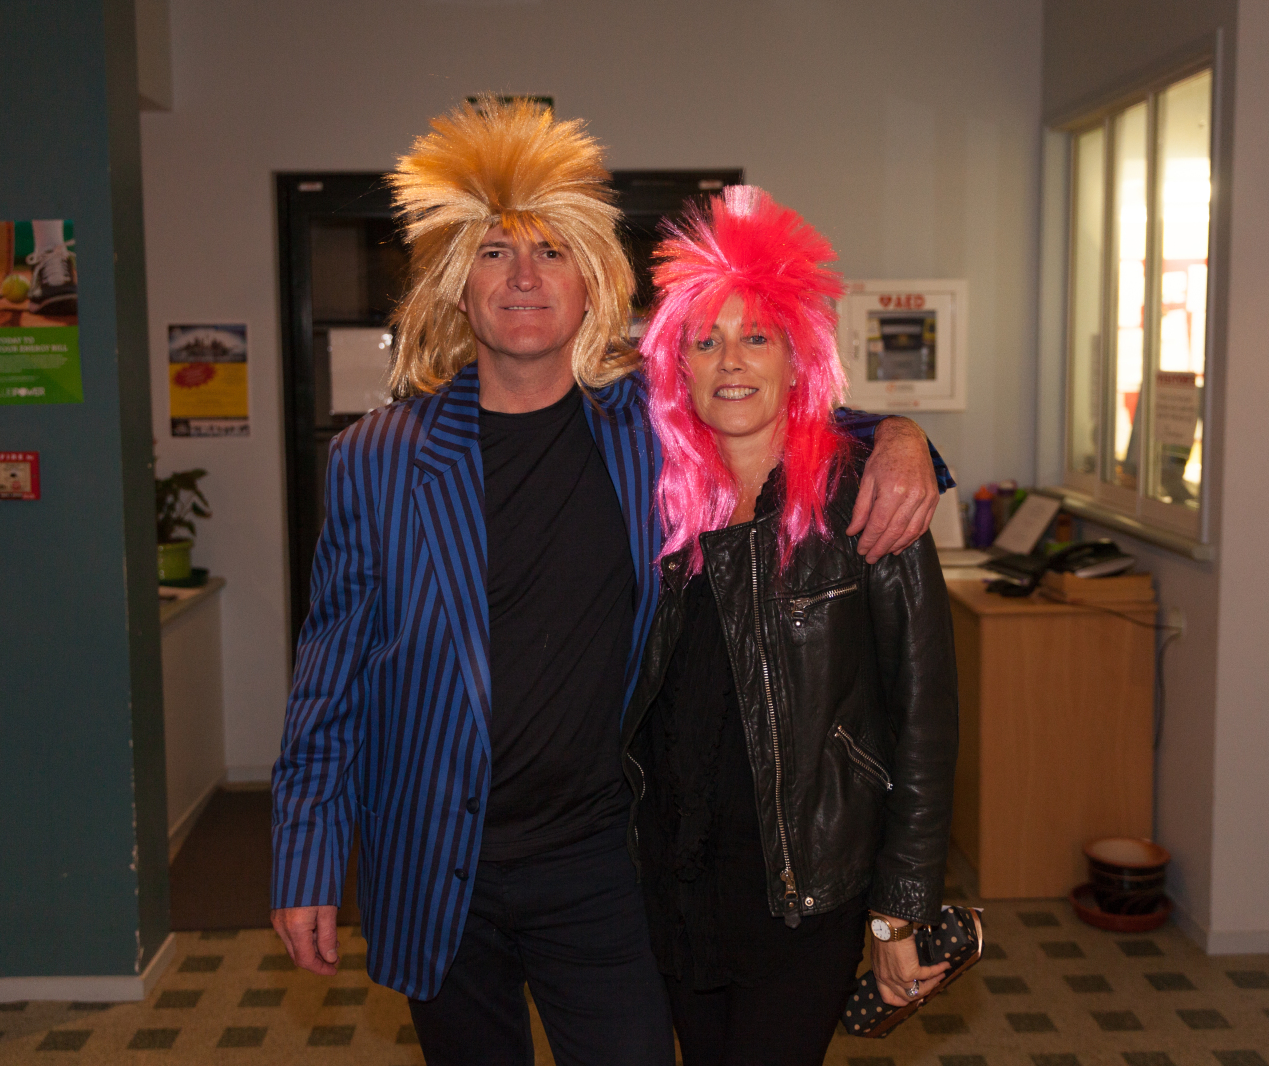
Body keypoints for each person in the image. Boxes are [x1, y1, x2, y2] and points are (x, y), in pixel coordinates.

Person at [270, 99, 951, 1066]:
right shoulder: (376, 460)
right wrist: (304, 859)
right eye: (496, 253)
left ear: (591, 283)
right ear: (458, 285)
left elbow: (768, 403)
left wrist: (902, 438)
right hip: (432, 860)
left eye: (552, 251)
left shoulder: (647, 433)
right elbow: (327, 681)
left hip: (600, 864)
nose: (524, 277)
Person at [623, 186, 960, 1066]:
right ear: (678, 367)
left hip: (805, 893)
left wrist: (899, 910)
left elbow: (924, 721)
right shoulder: (655, 506)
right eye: (706, 341)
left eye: (757, 338)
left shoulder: (864, 499)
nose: (731, 362)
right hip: (677, 884)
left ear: (797, 358)